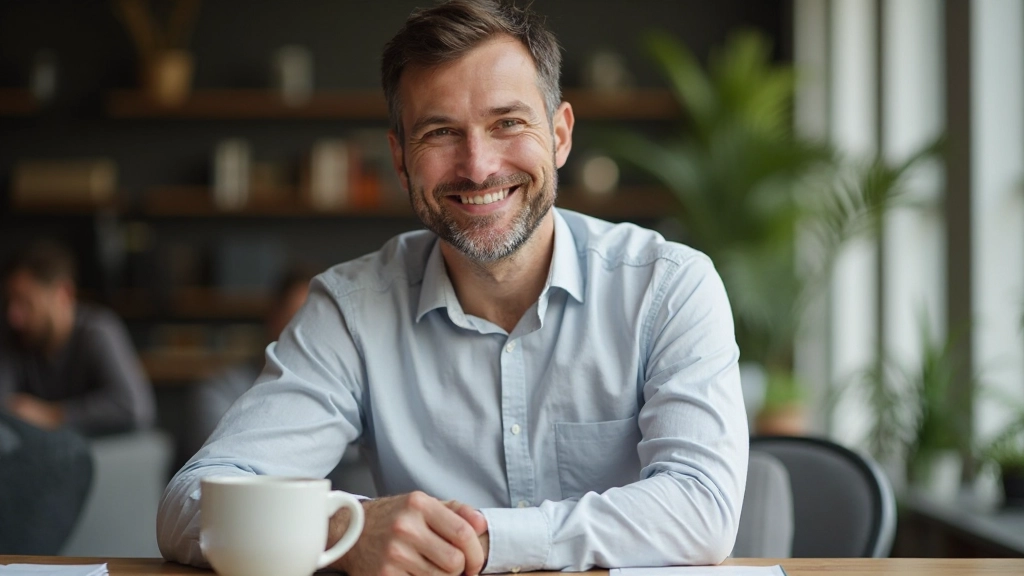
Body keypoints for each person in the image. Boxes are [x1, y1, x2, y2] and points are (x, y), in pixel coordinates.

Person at [158, 1, 748, 573]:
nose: (478, 166)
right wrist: (344, 530)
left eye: (508, 123)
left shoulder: (668, 287)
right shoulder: (351, 308)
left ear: (561, 135)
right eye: (441, 132)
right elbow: (190, 506)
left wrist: (494, 541)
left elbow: (703, 507)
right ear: (399, 159)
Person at [0, 241, 155, 436]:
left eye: (25, 302)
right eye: (9, 302)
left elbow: (133, 408)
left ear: (64, 293)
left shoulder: (98, 331)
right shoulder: (14, 338)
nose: (13, 316)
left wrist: (51, 415)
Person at [182, 268, 312, 459]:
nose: (307, 334)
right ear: (274, 318)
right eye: (295, 318)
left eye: (315, 325)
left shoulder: (343, 397)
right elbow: (225, 458)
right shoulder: (219, 390)